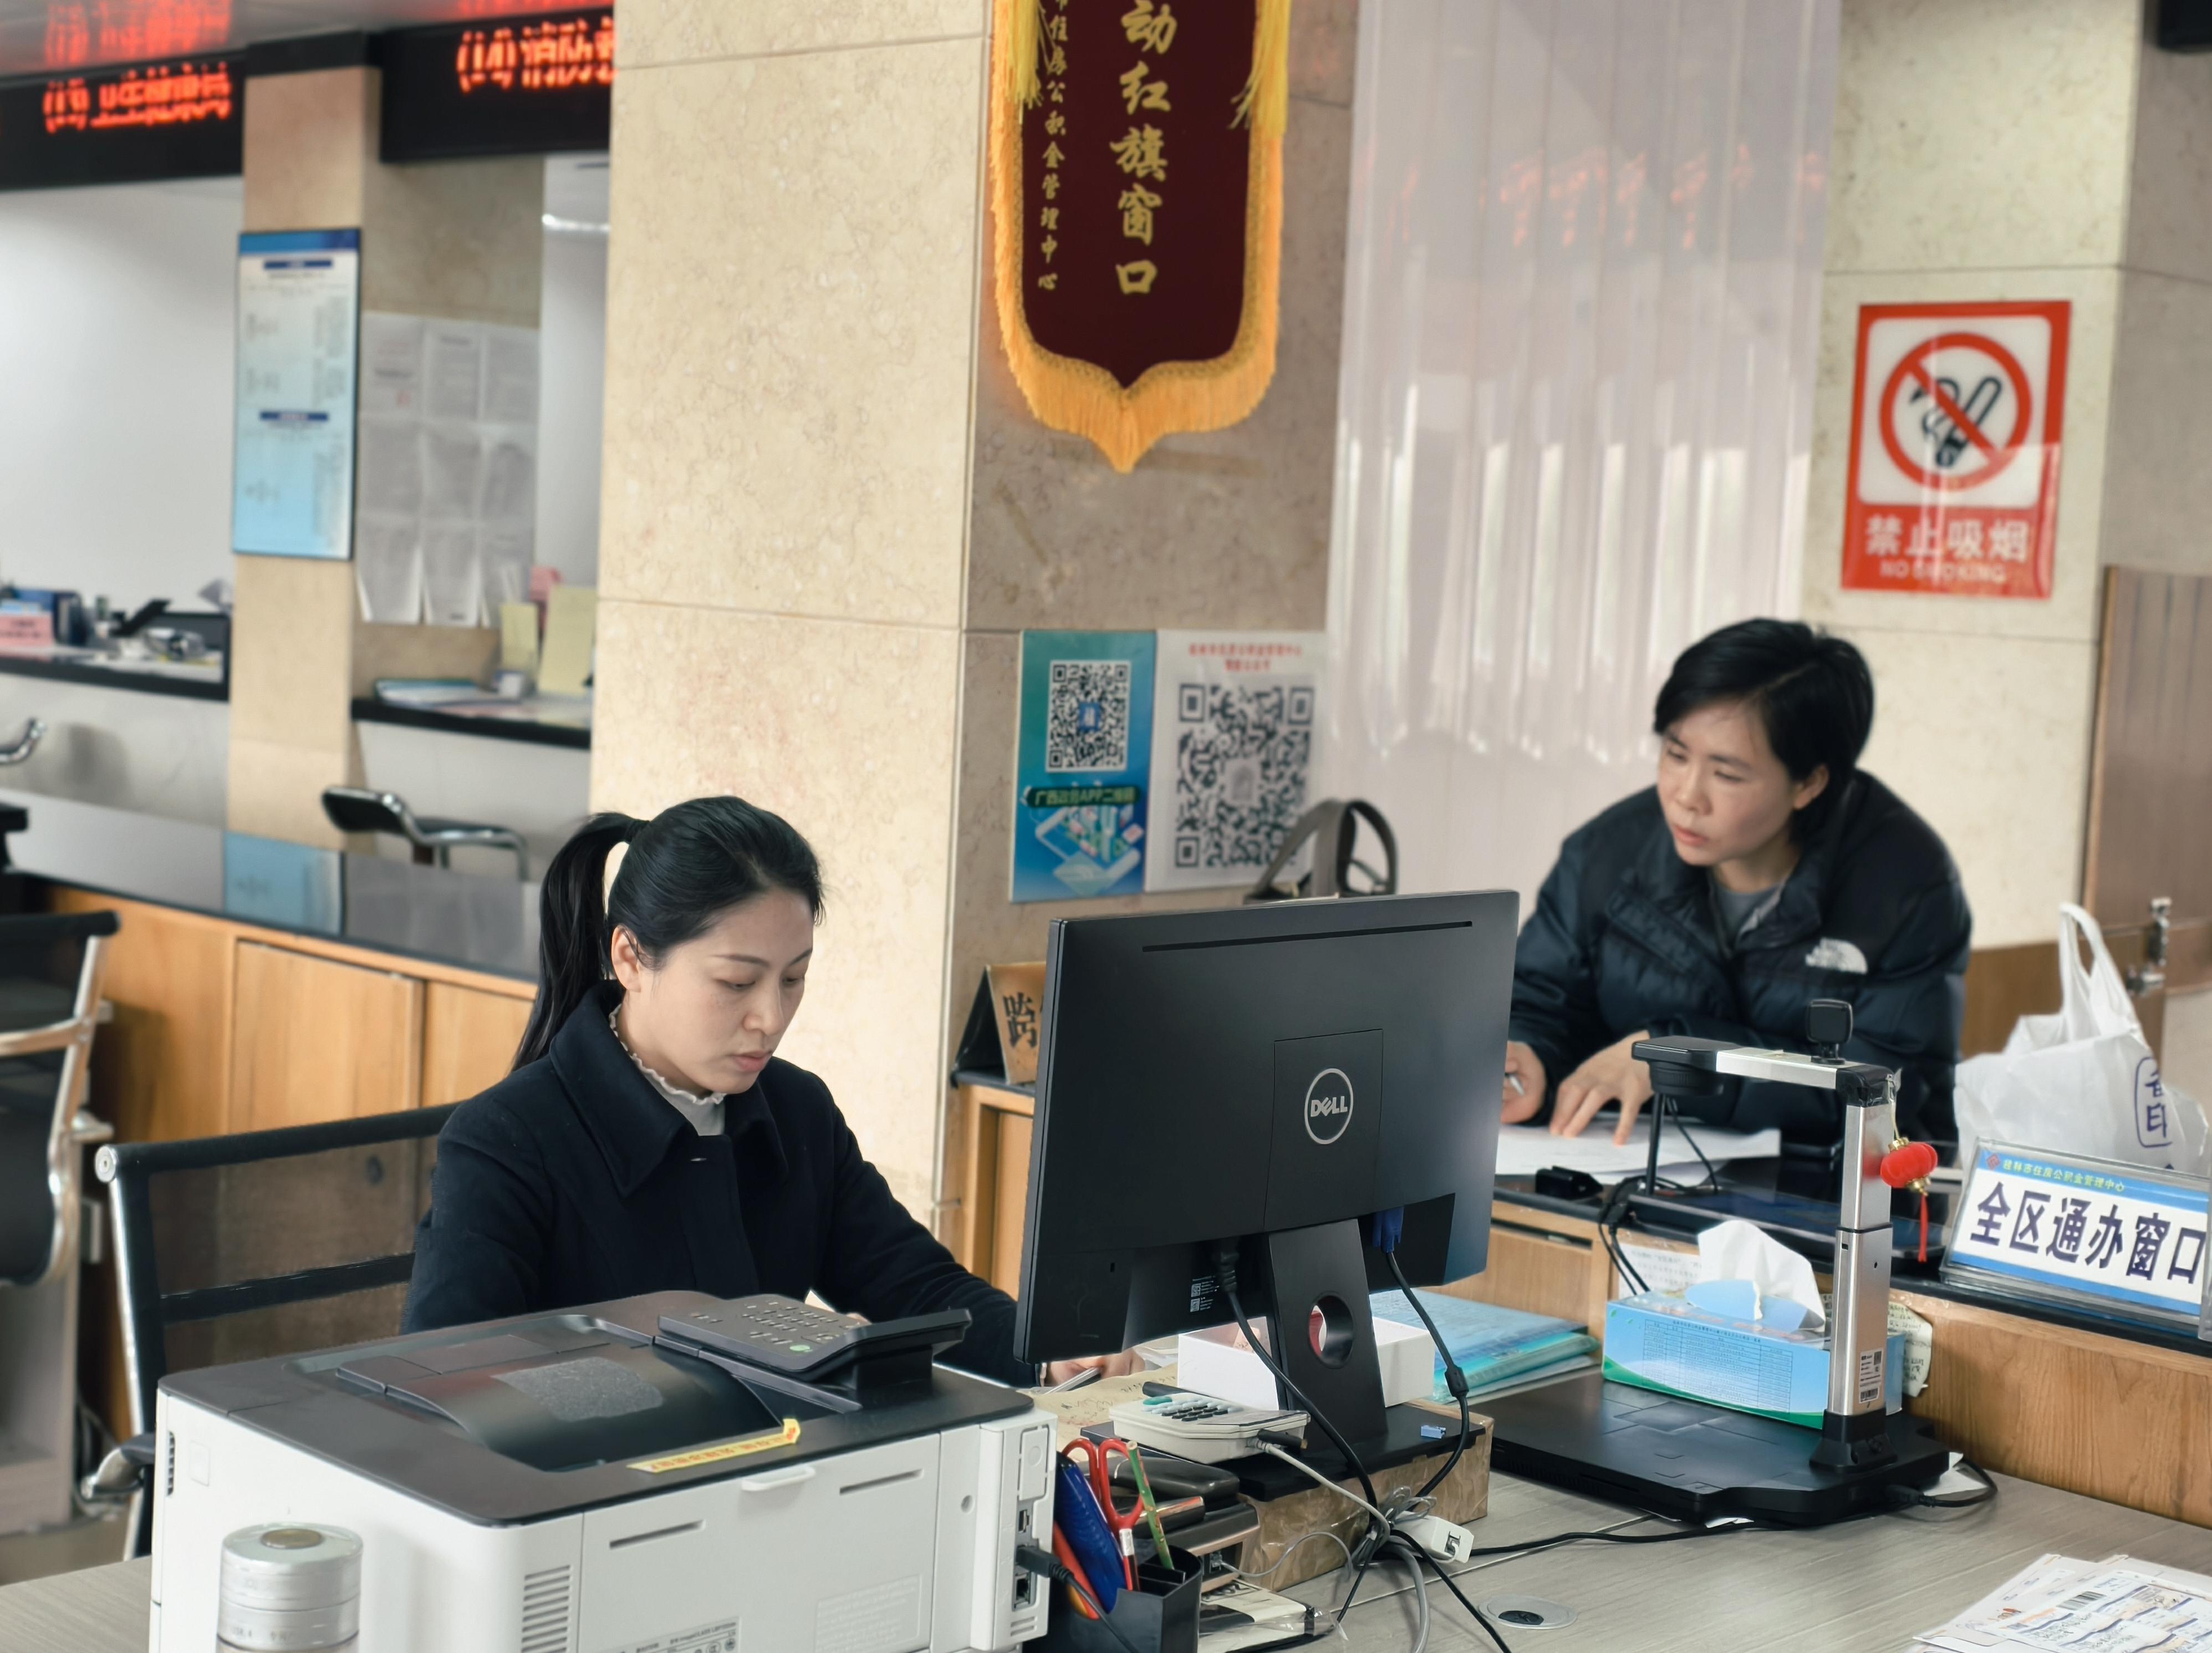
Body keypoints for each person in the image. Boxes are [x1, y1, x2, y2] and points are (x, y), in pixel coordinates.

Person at [404, 796, 1131, 1387]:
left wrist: (1046, 1348)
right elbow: (449, 1379)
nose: (771, 1017)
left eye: (793, 977)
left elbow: (914, 1285)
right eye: (735, 982)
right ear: (630, 957)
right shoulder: (507, 1142)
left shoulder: (794, 1111)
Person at [1502, 619, 1970, 1147]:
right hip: (1638, 1163)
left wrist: (1683, 1059)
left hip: (1827, 1179)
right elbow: (1540, 1002)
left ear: (1809, 783)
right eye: (1675, 755)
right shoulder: (1605, 854)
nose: (1686, 796)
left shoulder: (1907, 887)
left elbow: (1885, 1082)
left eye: (1726, 774)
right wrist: (1533, 1059)